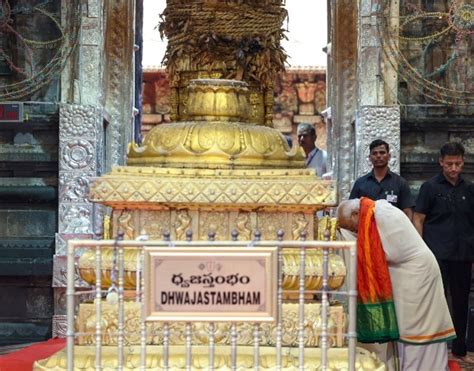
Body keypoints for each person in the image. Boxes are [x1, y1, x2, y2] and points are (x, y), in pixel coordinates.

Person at [338, 198, 455, 370]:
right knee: (403, 329)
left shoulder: (384, 215)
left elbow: (387, 252)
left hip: (418, 277)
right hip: (405, 277)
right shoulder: (373, 214)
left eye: (352, 227)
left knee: (417, 330)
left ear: (356, 214)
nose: (356, 231)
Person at [413, 141, 474, 363]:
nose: (453, 168)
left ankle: (459, 350)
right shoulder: (429, 188)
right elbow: (418, 218)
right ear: (441, 162)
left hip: (463, 254)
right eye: (449, 164)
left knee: (460, 302)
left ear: (463, 162)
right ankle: (432, 351)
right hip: (435, 254)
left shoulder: (469, 189)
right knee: (434, 301)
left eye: (457, 164)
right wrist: (421, 251)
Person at [349, 139, 414, 220]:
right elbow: (351, 210)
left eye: (382, 153)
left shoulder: (400, 183)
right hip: (366, 230)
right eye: (374, 153)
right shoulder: (360, 183)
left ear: (389, 156)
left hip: (393, 230)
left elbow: (408, 212)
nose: (378, 156)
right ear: (369, 158)